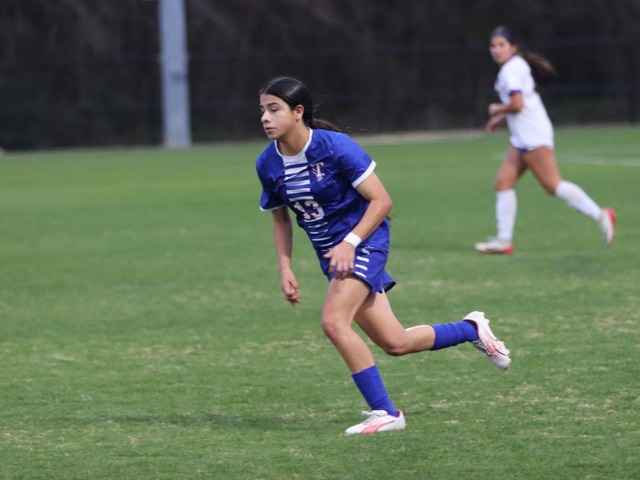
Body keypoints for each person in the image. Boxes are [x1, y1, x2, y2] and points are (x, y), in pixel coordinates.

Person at [255, 76, 511, 435]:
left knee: (333, 322)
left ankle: (386, 412)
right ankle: (471, 329)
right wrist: (285, 268)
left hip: (364, 243)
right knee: (395, 342)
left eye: (274, 109)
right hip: (334, 257)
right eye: (263, 110)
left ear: (298, 112)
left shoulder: (335, 147)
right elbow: (280, 218)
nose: (265, 118)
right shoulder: (267, 163)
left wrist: (350, 242)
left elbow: (382, 201)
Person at [476, 26, 616, 254]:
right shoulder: (516, 65)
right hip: (523, 135)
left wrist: (497, 109)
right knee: (503, 183)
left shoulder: (510, 70)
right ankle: (504, 241)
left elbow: (518, 104)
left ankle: (601, 215)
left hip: (532, 134)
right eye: (493, 45)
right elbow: (522, 102)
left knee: (553, 185)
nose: (497, 50)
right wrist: (501, 118)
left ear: (513, 47)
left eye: (502, 45)